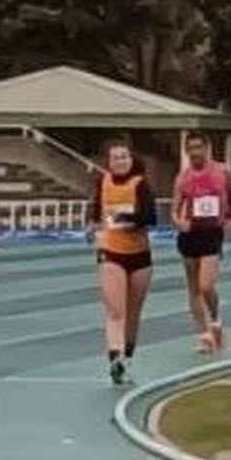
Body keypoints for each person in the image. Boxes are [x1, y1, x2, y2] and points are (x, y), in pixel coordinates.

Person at [88, 140, 158, 385]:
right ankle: (114, 357)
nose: (120, 161)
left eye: (124, 157)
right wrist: (93, 229)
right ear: (108, 162)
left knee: (132, 313)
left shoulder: (141, 185)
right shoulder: (102, 183)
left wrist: (126, 218)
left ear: (131, 159)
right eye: (115, 157)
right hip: (111, 252)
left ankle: (127, 357)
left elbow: (151, 217)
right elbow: (96, 213)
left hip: (139, 255)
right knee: (115, 310)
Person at [171, 132, 231, 354]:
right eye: (191, 148)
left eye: (199, 147)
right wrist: (180, 223)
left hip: (212, 231)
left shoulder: (222, 171)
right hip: (191, 233)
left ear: (207, 148)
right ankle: (204, 334)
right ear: (186, 150)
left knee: (206, 285)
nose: (195, 152)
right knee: (193, 288)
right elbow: (174, 209)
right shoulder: (183, 177)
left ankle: (216, 320)